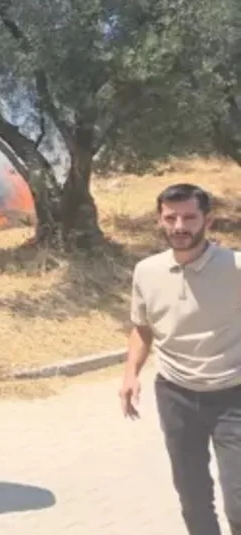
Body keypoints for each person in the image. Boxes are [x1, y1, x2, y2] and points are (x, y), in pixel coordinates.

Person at [120, 183, 241, 535]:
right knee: (192, 498)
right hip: (176, 396)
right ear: (160, 219)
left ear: (208, 220)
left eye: (189, 217)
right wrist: (131, 373)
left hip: (233, 396)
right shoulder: (147, 271)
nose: (179, 226)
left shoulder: (235, 267)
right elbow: (142, 328)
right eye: (171, 217)